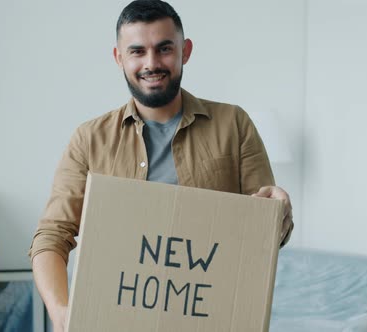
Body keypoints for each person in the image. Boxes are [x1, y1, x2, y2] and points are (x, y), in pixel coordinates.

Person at [29, 1, 294, 330]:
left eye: (164, 49)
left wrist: (278, 213)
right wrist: (60, 311)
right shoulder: (89, 139)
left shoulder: (234, 124)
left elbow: (266, 233)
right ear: (119, 58)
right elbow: (50, 238)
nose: (151, 63)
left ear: (185, 51)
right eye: (137, 51)